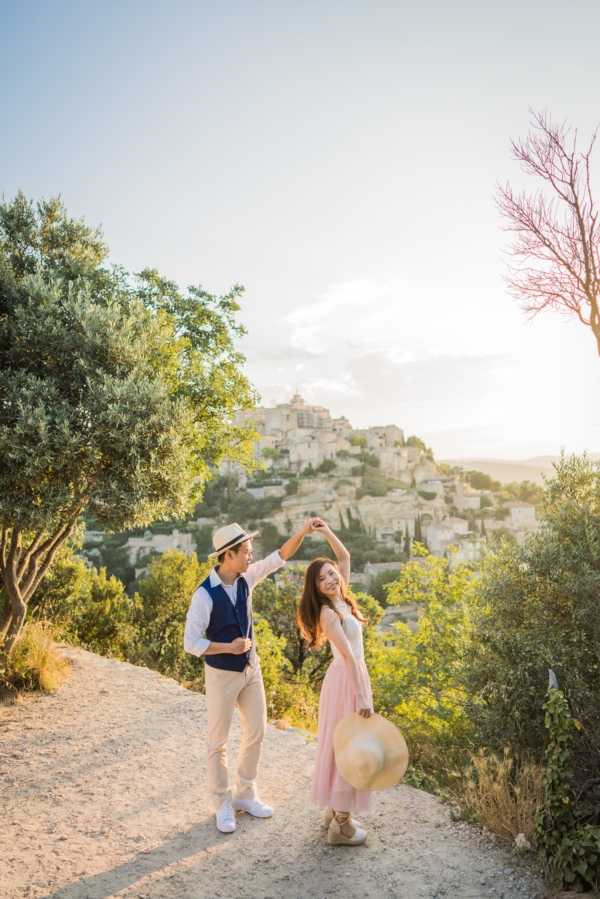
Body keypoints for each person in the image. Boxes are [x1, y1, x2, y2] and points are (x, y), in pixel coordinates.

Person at [184, 519, 315, 834]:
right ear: (228, 555)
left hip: (250, 670)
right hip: (221, 676)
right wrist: (227, 647)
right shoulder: (203, 595)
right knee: (217, 743)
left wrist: (303, 531)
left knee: (256, 730)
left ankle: (245, 794)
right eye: (246, 552)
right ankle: (221, 803)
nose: (251, 557)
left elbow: (278, 558)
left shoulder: (246, 578)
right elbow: (191, 643)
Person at [296, 519, 374, 846]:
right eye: (322, 578)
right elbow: (348, 656)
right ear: (315, 589)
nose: (330, 578)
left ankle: (334, 812)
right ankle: (341, 826)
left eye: (331, 574)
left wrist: (325, 531)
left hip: (350, 676)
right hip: (347, 679)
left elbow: (344, 557)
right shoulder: (329, 613)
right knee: (348, 746)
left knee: (342, 743)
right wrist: (363, 698)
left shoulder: (343, 598)